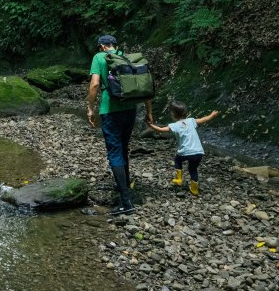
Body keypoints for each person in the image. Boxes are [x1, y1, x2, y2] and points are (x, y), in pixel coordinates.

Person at [87, 35, 153, 215]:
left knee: (114, 151)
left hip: (110, 110)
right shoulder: (126, 57)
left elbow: (94, 85)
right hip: (131, 109)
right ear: (115, 46)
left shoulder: (99, 58)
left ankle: (126, 202)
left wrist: (90, 108)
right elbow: (143, 85)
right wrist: (149, 112)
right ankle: (123, 184)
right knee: (123, 147)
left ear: (101, 46)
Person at [147, 101, 220, 195]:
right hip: (198, 152)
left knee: (177, 160)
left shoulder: (174, 126)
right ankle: (194, 189)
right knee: (193, 169)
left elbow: (160, 130)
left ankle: (178, 178)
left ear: (173, 114)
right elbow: (203, 119)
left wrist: (150, 125)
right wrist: (212, 115)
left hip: (185, 152)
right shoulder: (191, 121)